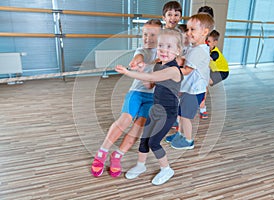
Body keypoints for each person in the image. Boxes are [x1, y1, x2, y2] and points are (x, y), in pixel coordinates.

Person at [91, 19, 162, 178]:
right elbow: (138, 57)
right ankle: (101, 153)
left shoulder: (163, 54)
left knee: (138, 128)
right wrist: (137, 63)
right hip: (136, 93)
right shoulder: (142, 50)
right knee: (125, 120)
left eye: (152, 34)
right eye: (145, 34)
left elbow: (153, 83)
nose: (147, 38)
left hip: (152, 98)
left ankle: (117, 155)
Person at [115, 29, 183, 185]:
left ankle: (167, 169)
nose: (164, 50)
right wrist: (140, 70)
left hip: (168, 113)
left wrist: (128, 73)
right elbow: (150, 84)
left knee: (154, 142)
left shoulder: (173, 70)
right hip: (156, 108)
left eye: (169, 46)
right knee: (145, 138)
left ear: (178, 50)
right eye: (161, 45)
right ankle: (140, 165)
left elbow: (152, 77)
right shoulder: (159, 66)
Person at [165, 13, 215, 149]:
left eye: (193, 29)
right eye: (188, 29)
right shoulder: (194, 48)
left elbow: (187, 70)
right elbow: (182, 60)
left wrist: (169, 71)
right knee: (181, 114)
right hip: (189, 89)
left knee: (185, 117)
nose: (188, 33)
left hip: (194, 91)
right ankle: (179, 134)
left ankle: (188, 141)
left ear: (205, 32)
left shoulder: (198, 51)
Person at [197, 5, 215, 119]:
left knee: (204, 85)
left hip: (204, 64)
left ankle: (202, 107)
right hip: (193, 61)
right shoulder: (193, 30)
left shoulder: (211, 35)